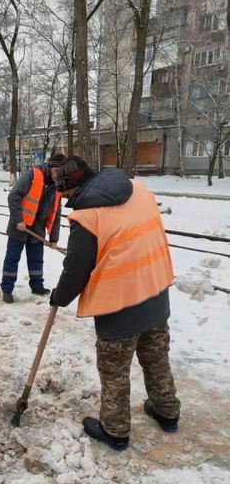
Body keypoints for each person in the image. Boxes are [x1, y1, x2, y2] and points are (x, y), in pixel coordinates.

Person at [50, 156, 181, 451]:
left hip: (119, 307)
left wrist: (59, 296)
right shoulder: (139, 190)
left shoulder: (87, 217)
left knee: (115, 372)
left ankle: (115, 431)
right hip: (156, 292)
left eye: (66, 194)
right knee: (156, 357)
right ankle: (167, 411)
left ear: (72, 188)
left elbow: (75, 270)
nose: (67, 201)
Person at [0, 153, 66, 303]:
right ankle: (7, 289)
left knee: (36, 260)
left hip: (37, 229)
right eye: (56, 171)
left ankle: (37, 287)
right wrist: (18, 220)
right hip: (19, 226)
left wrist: (54, 239)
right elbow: (13, 196)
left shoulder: (57, 187)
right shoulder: (33, 175)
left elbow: (56, 214)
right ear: (50, 168)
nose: (58, 175)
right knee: (12, 258)